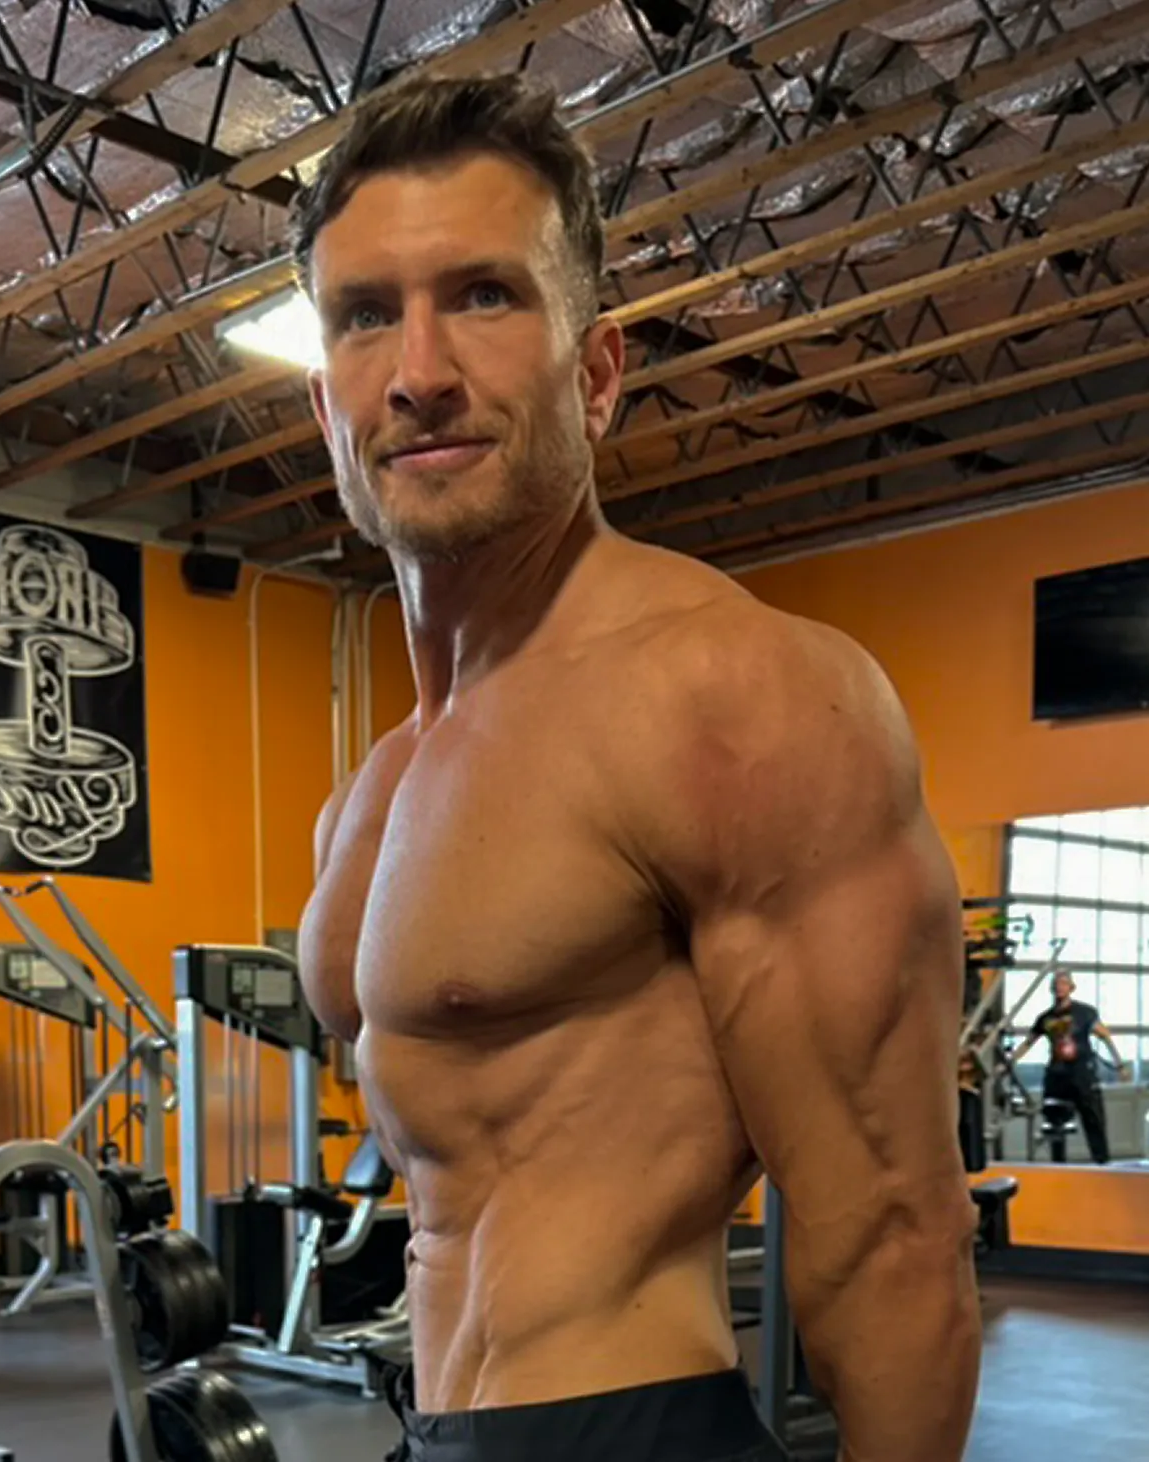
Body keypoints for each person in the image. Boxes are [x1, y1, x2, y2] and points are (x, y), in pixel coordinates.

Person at [295, 73, 981, 1462]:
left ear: (596, 371)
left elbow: (894, 1241)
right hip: (435, 1417)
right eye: (368, 314)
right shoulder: (371, 791)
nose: (418, 369)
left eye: (483, 295)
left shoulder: (735, 693)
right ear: (326, 409)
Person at [1010, 969, 1130, 1164]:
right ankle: (1059, 1165)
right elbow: (1028, 1043)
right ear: (1051, 988)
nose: (1060, 987)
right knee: (1054, 1123)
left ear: (1071, 987)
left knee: (1094, 1120)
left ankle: (1102, 1163)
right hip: (1057, 1076)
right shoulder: (1045, 1018)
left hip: (1082, 1074)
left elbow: (1105, 1036)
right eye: (1056, 983)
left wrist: (1120, 1065)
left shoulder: (1085, 1012)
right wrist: (1009, 1062)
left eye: (1064, 983)